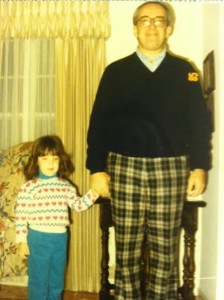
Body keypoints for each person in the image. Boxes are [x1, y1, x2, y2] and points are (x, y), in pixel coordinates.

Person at [86, 2, 212, 300]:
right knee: (127, 251)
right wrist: (96, 169)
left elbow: (199, 124)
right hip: (124, 167)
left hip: (171, 168)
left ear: (168, 28)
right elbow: (99, 123)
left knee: (165, 252)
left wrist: (199, 165)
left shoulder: (187, 73)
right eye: (145, 20)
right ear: (135, 28)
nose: (152, 26)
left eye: (159, 21)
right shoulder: (115, 72)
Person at [15, 135, 98, 300]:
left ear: (61, 160)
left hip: (60, 238)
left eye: (55, 158)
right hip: (37, 238)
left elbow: (79, 205)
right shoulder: (28, 188)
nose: (50, 163)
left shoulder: (66, 186)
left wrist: (94, 192)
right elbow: (21, 215)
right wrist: (21, 240)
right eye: (45, 158)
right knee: (39, 280)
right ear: (36, 161)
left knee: (56, 280)